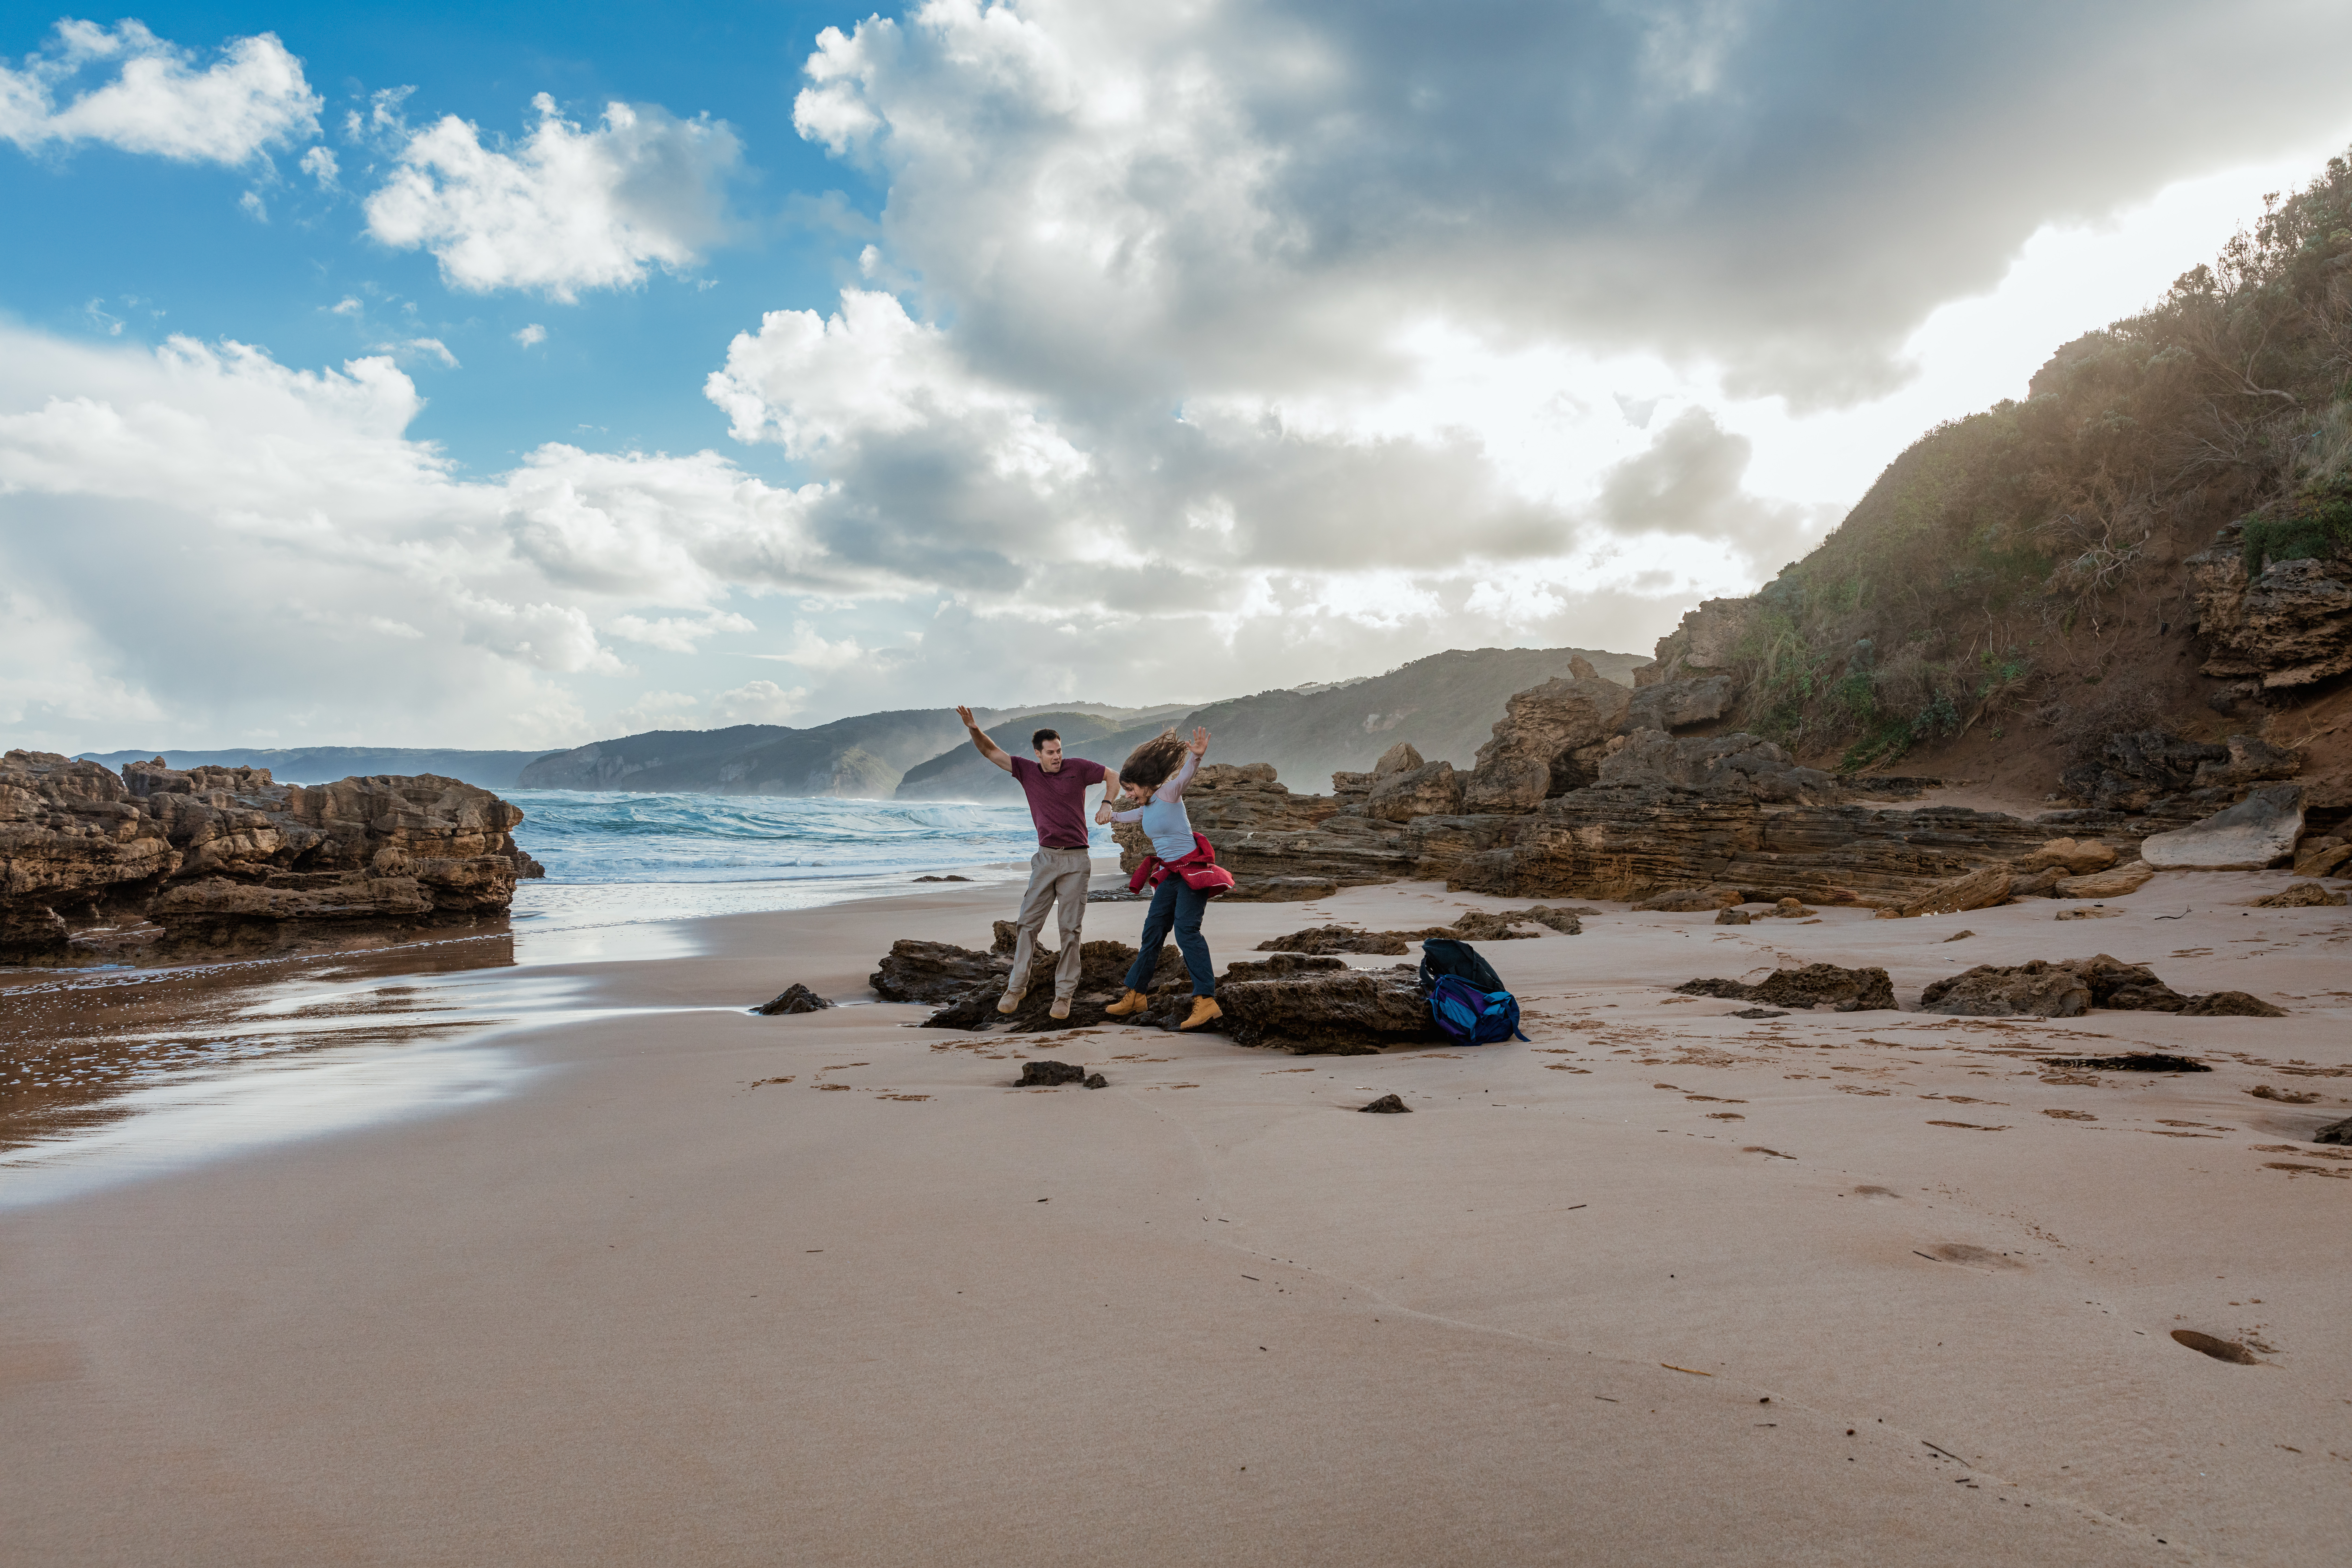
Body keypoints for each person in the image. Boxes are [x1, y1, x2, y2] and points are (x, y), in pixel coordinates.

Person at [952, 705, 1120, 1020]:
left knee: (1070, 929)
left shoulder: (1079, 768)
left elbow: (1114, 776)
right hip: (1045, 859)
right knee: (1027, 925)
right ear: (1038, 754)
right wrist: (973, 728)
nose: (1057, 756)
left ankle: (1064, 995)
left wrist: (1107, 802)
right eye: (1051, 752)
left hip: (1076, 859)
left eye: (1059, 750)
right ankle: (1017, 987)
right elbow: (990, 751)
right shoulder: (1026, 771)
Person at [1096, 726, 1221, 1031]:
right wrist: (1109, 814)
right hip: (1170, 875)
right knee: (1152, 933)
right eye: (1125, 790)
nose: (1128, 795)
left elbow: (1184, 778)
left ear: (1144, 783)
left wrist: (1196, 757)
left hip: (1192, 871)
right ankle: (1137, 995)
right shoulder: (1146, 807)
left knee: (1187, 932)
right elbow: (1128, 817)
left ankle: (1206, 1001)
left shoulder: (1168, 793)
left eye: (1130, 789)